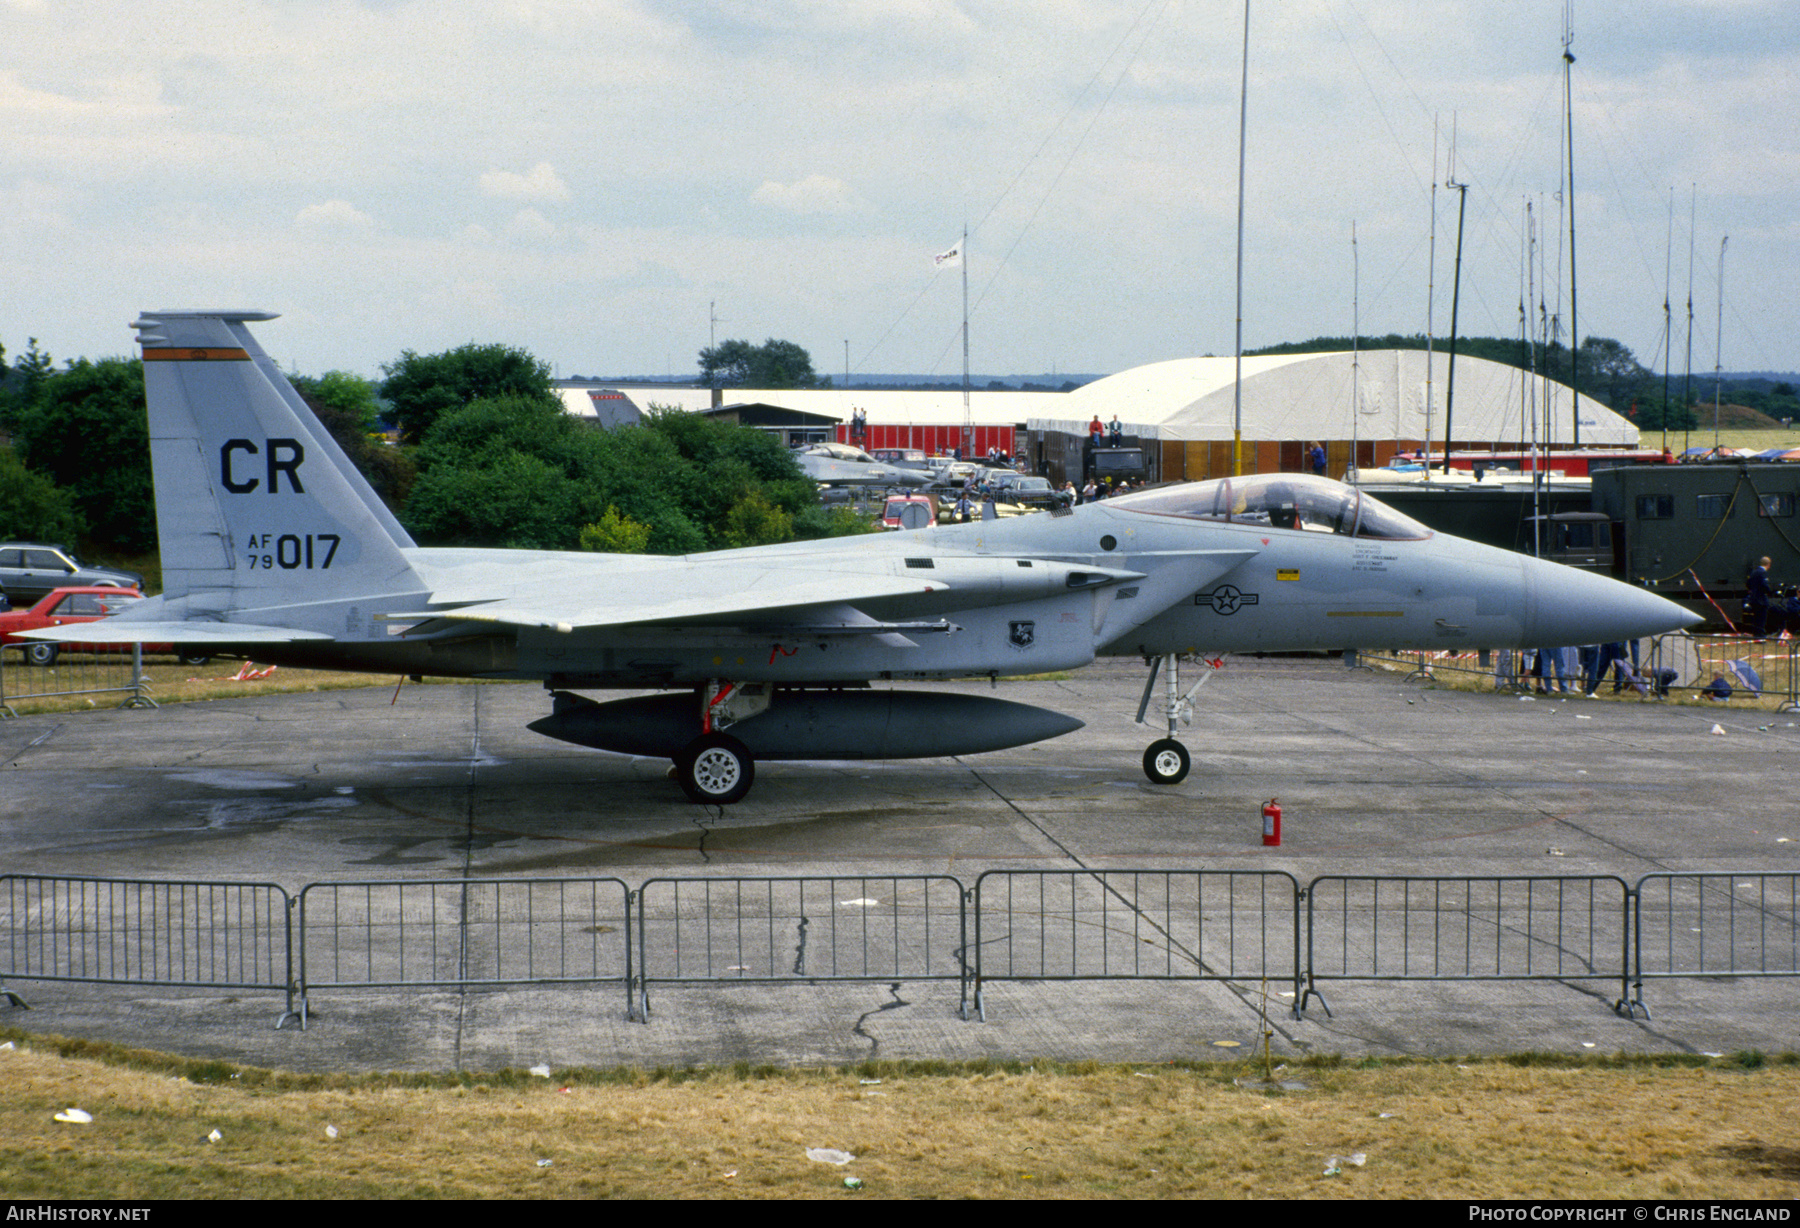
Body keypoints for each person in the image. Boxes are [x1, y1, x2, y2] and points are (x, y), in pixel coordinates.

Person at [1746, 556, 1772, 638]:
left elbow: (1748, 584)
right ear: (1768, 565)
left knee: (1756, 618)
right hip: (1761, 600)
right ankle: (1761, 636)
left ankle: (1756, 635)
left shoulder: (1754, 572)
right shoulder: (1762, 573)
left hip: (1753, 599)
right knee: (1762, 618)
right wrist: (1769, 591)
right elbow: (1764, 585)